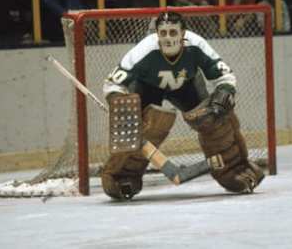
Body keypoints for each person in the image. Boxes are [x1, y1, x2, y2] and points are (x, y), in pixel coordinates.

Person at [101, 11, 265, 200]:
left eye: (173, 32)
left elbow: (225, 76)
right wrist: (119, 104)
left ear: (183, 33)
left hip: (187, 85)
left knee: (214, 119)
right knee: (141, 129)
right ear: (157, 33)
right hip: (147, 87)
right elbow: (112, 83)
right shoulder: (143, 50)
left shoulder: (196, 44)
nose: (168, 38)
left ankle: (235, 168)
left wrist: (223, 94)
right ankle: (122, 177)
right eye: (163, 33)